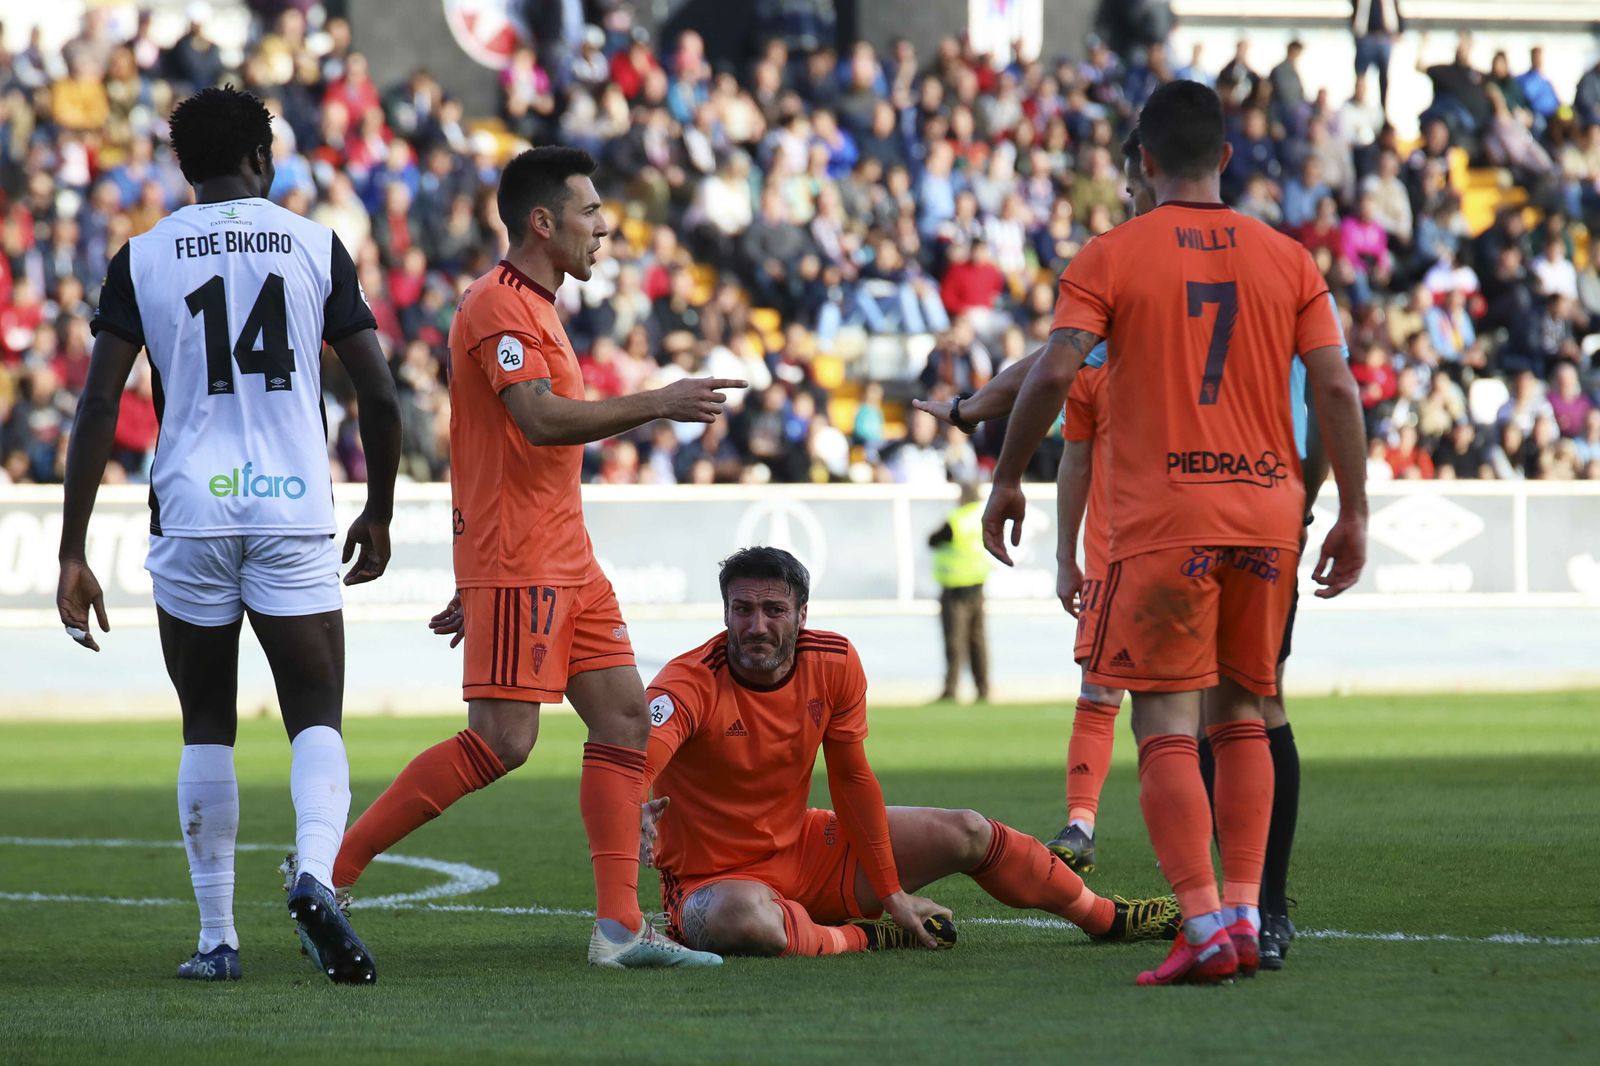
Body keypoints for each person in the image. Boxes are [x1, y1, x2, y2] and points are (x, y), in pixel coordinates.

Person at [983, 81, 1368, 986]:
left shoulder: (1111, 254)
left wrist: (1006, 473)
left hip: (1165, 518)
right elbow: (1340, 391)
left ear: (1144, 162)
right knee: (1243, 715)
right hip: (1269, 513)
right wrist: (1352, 509)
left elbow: (1053, 372)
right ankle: (1243, 910)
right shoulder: (1290, 258)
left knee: (1162, 723)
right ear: (1226, 158)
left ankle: (1201, 921)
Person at [329, 147, 740, 969]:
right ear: (542, 223)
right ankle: (329, 872)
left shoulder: (540, 307)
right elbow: (538, 423)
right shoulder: (497, 305)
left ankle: (619, 930)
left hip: (564, 558)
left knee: (625, 717)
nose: (606, 228)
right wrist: (658, 401)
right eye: (591, 213)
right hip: (524, 560)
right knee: (503, 741)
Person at [57, 87, 402, 984]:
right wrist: (381, 508)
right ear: (262, 157)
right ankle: (318, 877)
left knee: (206, 720)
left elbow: (99, 403)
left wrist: (72, 548)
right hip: (292, 509)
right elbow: (380, 390)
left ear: (184, 166)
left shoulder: (143, 256)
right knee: (314, 715)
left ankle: (217, 941)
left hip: (192, 512)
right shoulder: (314, 242)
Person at [634, 547, 1180, 957]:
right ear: (725, 612)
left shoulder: (836, 660)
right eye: (743, 609)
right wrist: (633, 801)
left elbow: (852, 782)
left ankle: (1106, 917)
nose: (757, 626)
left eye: (774, 609)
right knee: (743, 919)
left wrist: (891, 888)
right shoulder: (689, 680)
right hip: (712, 883)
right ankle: (861, 936)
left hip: (808, 850)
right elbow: (638, 757)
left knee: (968, 829)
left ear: (802, 615)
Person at [928, 481, 990, 703]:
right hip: (978, 584)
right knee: (978, 640)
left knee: (955, 639)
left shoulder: (957, 520)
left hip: (955, 587)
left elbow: (933, 540)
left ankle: (951, 688)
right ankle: (983, 687)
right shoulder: (984, 517)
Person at [1352, 0, 1404, 114]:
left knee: (1384, 78)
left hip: (1385, 37)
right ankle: (1358, 105)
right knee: (1361, 75)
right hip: (1366, 37)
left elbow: (1397, 10)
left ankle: (1383, 110)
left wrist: (1399, 30)